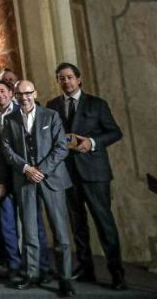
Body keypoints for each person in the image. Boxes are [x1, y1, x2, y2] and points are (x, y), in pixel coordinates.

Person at [46, 62, 125, 289]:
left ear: (79, 79)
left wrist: (91, 142)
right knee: (78, 224)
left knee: (104, 223)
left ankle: (117, 273)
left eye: (70, 77)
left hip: (95, 173)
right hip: (67, 173)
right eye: (61, 78)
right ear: (58, 81)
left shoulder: (97, 104)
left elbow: (115, 132)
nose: (66, 81)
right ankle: (85, 268)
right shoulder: (52, 106)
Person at [2, 80, 75, 297]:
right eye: (19, 94)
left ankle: (65, 279)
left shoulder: (51, 116)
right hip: (25, 180)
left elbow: (61, 148)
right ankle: (32, 274)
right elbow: (6, 149)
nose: (24, 97)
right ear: (15, 96)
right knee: (29, 230)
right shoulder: (10, 119)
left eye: (27, 93)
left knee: (60, 232)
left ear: (35, 93)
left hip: (51, 179)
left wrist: (40, 170)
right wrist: (26, 169)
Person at [0, 79, 50, 280]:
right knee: (7, 223)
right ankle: (14, 264)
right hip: (4, 177)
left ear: (10, 93)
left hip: (26, 175)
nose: (0, 95)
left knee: (34, 222)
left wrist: (32, 170)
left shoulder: (24, 111)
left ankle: (42, 265)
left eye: (3, 91)